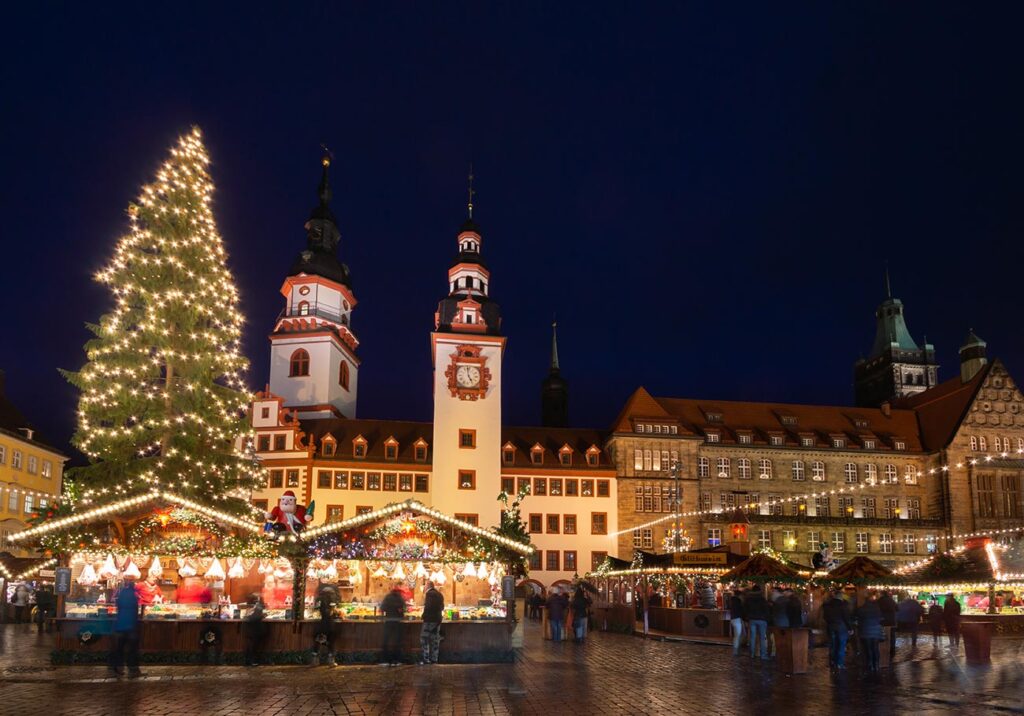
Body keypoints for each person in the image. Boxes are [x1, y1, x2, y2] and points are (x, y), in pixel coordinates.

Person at [109, 578, 143, 678]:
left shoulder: (121, 594)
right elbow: (137, 609)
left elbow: (118, 606)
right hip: (131, 626)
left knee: (120, 648)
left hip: (120, 625)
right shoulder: (134, 595)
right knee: (133, 649)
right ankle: (133, 669)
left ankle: (117, 668)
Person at [822, 590, 853, 669]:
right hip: (841, 627)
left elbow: (825, 617)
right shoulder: (843, 605)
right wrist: (850, 628)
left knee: (833, 645)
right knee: (841, 645)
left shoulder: (827, 605)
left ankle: (832, 662)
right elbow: (846, 618)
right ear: (841, 596)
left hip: (831, 626)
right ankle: (839, 663)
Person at [856, 591, 883, 673]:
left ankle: (870, 665)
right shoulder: (877, 608)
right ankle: (877, 665)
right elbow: (881, 618)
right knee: (875, 648)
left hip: (865, 631)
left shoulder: (861, 609)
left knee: (868, 649)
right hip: (876, 631)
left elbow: (857, 619)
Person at [380, 583, 407, 666]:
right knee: (397, 641)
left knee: (386, 640)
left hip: (388, 621)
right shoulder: (400, 598)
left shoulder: (387, 597)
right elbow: (404, 609)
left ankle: (385, 660)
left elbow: (382, 608)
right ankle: (397, 660)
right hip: (398, 622)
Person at [420, 580, 444, 664]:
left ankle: (426, 658)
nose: (424, 587)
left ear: (428, 586)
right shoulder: (439, 594)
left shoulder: (429, 594)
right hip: (437, 620)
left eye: (425, 585)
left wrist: (424, 616)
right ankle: (434, 659)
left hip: (429, 620)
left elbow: (428, 607)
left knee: (424, 639)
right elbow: (442, 608)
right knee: (435, 640)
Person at [743, 585, 771, 660]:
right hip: (762, 619)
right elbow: (766, 610)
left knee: (752, 637)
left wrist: (747, 618)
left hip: (752, 619)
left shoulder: (748, 599)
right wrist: (767, 618)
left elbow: (745, 609)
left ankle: (751, 654)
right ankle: (763, 655)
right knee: (762, 638)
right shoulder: (762, 599)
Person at [242, 594, 267, 667]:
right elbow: (254, 617)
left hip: (250, 630)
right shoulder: (258, 607)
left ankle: (248, 661)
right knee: (253, 646)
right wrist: (262, 615)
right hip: (254, 630)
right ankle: (252, 661)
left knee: (250, 646)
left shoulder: (253, 607)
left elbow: (249, 617)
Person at [727, 589, 745, 656]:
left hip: (733, 619)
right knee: (737, 635)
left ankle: (736, 650)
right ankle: (736, 650)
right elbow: (741, 610)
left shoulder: (731, 600)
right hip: (737, 619)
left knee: (737, 635)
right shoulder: (738, 601)